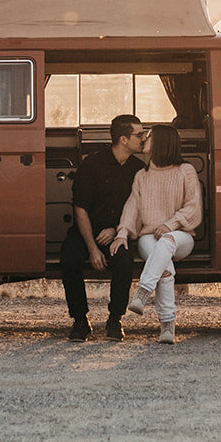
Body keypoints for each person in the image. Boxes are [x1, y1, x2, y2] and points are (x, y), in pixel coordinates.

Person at [110, 124, 202, 344]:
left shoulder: (185, 171)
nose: (143, 140)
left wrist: (170, 225)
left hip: (180, 236)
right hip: (148, 237)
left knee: (167, 241)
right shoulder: (142, 175)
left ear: (161, 142)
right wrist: (122, 233)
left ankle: (143, 291)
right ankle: (167, 326)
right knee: (165, 269)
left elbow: (193, 207)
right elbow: (132, 207)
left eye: (148, 137)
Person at [60, 114, 145, 341]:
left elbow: (140, 210)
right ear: (124, 139)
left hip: (119, 232)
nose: (143, 139)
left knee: (124, 261)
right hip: (86, 231)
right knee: (69, 258)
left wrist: (118, 230)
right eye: (139, 135)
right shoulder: (92, 164)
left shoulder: (139, 169)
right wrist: (92, 249)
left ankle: (115, 319)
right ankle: (80, 320)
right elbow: (80, 208)